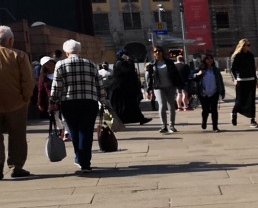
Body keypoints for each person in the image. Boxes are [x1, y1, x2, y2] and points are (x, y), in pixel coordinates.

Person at [48, 39, 103, 174]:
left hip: (69, 102)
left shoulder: (60, 65)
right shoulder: (91, 64)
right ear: (79, 51)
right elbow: (99, 84)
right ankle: (85, 162)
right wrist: (103, 99)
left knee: (74, 131)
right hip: (90, 102)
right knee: (86, 131)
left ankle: (79, 158)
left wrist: (53, 101)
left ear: (67, 52)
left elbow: (56, 86)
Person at [0, 25, 35, 179]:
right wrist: (26, 98)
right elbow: (28, 80)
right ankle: (16, 166)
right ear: (10, 40)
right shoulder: (19, 55)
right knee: (18, 136)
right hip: (16, 103)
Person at [145, 47, 184, 134]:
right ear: (153, 54)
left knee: (172, 106)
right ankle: (164, 126)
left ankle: (172, 125)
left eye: (159, 51)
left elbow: (175, 74)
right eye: (155, 51)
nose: (158, 53)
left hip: (170, 86)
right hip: (158, 87)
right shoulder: (152, 64)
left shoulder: (169, 62)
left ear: (162, 52)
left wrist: (179, 84)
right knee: (162, 105)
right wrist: (149, 89)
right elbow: (149, 78)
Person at [110, 50, 151, 125]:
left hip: (125, 89)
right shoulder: (120, 63)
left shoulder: (122, 63)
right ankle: (114, 121)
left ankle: (139, 118)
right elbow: (127, 71)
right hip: (120, 89)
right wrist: (130, 62)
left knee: (132, 105)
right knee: (121, 106)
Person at [230, 39, 258, 128]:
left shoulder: (250, 55)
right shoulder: (237, 56)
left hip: (251, 80)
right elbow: (232, 69)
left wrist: (256, 80)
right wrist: (235, 79)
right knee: (239, 101)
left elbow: (253, 68)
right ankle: (234, 113)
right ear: (243, 46)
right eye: (248, 45)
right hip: (241, 80)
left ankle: (252, 120)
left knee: (251, 101)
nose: (249, 47)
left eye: (249, 45)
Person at [193, 54, 225, 132]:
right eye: (207, 59)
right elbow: (192, 77)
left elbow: (220, 81)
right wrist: (198, 74)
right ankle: (204, 121)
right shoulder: (200, 69)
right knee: (205, 110)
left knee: (214, 110)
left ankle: (215, 127)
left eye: (211, 59)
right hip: (203, 93)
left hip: (214, 92)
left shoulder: (216, 70)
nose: (209, 60)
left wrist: (222, 91)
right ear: (204, 60)